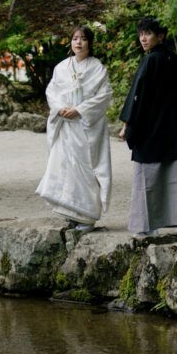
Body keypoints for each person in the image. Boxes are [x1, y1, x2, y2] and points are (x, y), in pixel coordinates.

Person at [119, 16, 177, 239]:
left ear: (160, 36)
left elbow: (137, 96)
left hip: (151, 127)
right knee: (175, 173)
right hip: (172, 127)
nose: (143, 38)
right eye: (141, 34)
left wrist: (128, 125)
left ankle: (145, 226)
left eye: (148, 34)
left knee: (147, 176)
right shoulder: (175, 60)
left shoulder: (150, 61)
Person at [36, 26, 113, 233]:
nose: (78, 42)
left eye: (83, 39)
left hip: (86, 126)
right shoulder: (61, 67)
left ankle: (87, 216)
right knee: (65, 167)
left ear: (90, 43)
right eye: (75, 38)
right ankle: (71, 212)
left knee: (87, 167)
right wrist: (61, 108)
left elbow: (104, 95)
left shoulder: (97, 68)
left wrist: (79, 110)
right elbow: (52, 91)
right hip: (65, 125)